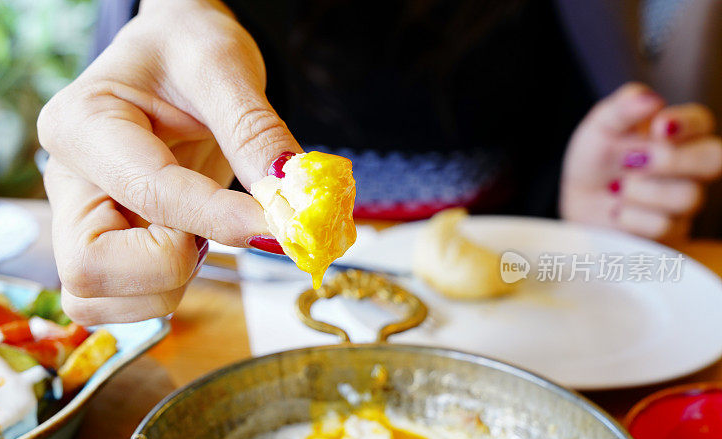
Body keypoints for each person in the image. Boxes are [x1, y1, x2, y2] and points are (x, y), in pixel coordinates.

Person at [37, 0, 722, 324]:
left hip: (515, 318)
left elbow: (564, 138)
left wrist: (582, 205)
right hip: (247, 310)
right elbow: (136, 82)